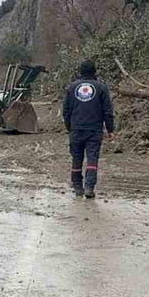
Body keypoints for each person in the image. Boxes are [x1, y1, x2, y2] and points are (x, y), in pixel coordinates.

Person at [62, 59, 115, 199]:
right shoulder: (101, 87)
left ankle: (77, 187)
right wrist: (110, 129)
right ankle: (89, 187)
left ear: (80, 72)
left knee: (76, 158)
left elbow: (66, 110)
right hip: (94, 129)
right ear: (95, 71)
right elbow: (107, 111)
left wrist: (69, 127)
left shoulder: (72, 87)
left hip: (76, 129)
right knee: (92, 158)